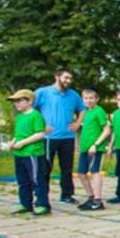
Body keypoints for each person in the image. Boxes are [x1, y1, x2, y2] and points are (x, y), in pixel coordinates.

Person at [33, 69, 85, 204]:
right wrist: (40, 126)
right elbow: (31, 110)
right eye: (66, 78)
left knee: (67, 169)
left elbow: (82, 109)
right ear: (57, 77)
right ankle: (42, 196)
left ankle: (66, 195)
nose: (68, 81)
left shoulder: (73, 95)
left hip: (67, 137)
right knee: (44, 169)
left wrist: (78, 123)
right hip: (48, 138)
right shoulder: (43, 92)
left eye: (70, 79)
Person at [8, 89, 50, 216]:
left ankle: (42, 204)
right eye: (15, 101)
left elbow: (40, 134)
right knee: (23, 180)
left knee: (37, 179)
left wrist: (24, 143)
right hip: (19, 153)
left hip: (33, 153)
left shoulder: (36, 116)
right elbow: (19, 134)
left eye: (19, 100)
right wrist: (13, 141)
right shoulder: (19, 117)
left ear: (29, 101)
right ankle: (25, 204)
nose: (16, 104)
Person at [74, 87, 111, 211]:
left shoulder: (99, 111)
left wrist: (96, 144)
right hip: (84, 149)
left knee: (95, 172)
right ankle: (91, 197)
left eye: (91, 98)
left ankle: (98, 200)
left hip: (95, 148)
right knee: (81, 173)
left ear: (96, 99)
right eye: (86, 98)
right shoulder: (85, 113)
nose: (88, 100)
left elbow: (106, 130)